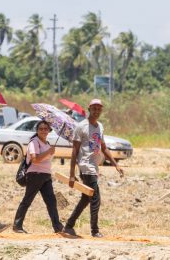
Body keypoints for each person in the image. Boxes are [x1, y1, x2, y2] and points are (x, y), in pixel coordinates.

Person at [64, 99, 124, 238]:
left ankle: (69, 225)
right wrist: (72, 174)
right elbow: (74, 151)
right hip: (86, 166)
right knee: (96, 198)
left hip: (94, 166)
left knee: (86, 198)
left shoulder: (100, 126)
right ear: (89, 109)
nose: (96, 111)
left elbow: (103, 147)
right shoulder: (81, 127)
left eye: (99, 109)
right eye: (94, 108)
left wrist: (116, 164)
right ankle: (94, 230)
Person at [13, 120, 64, 234]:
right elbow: (35, 159)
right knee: (27, 200)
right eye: (41, 129)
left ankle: (58, 227)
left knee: (51, 201)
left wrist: (50, 151)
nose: (43, 131)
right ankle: (17, 225)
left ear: (49, 131)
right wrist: (49, 152)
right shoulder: (34, 142)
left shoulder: (47, 144)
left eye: (46, 129)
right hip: (35, 175)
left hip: (46, 175)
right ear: (37, 130)